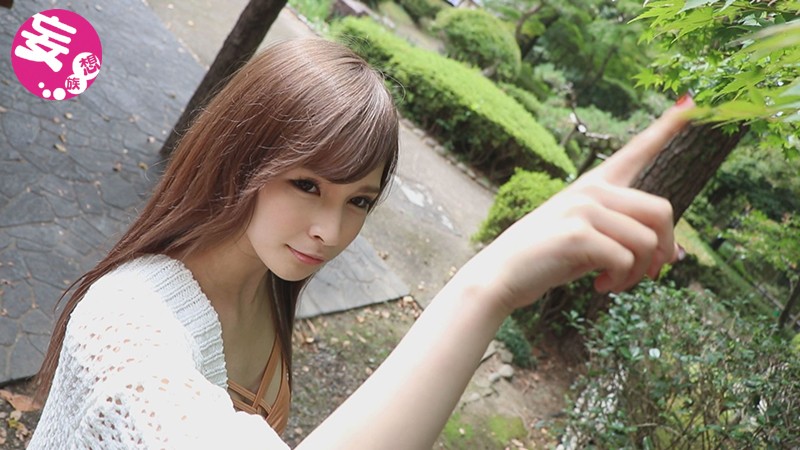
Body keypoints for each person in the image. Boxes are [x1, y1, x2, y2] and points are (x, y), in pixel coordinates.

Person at [29, 38, 693, 449]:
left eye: (360, 202)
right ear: (241, 155)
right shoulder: (123, 325)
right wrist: (485, 287)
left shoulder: (265, 285)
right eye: (307, 185)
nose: (332, 232)